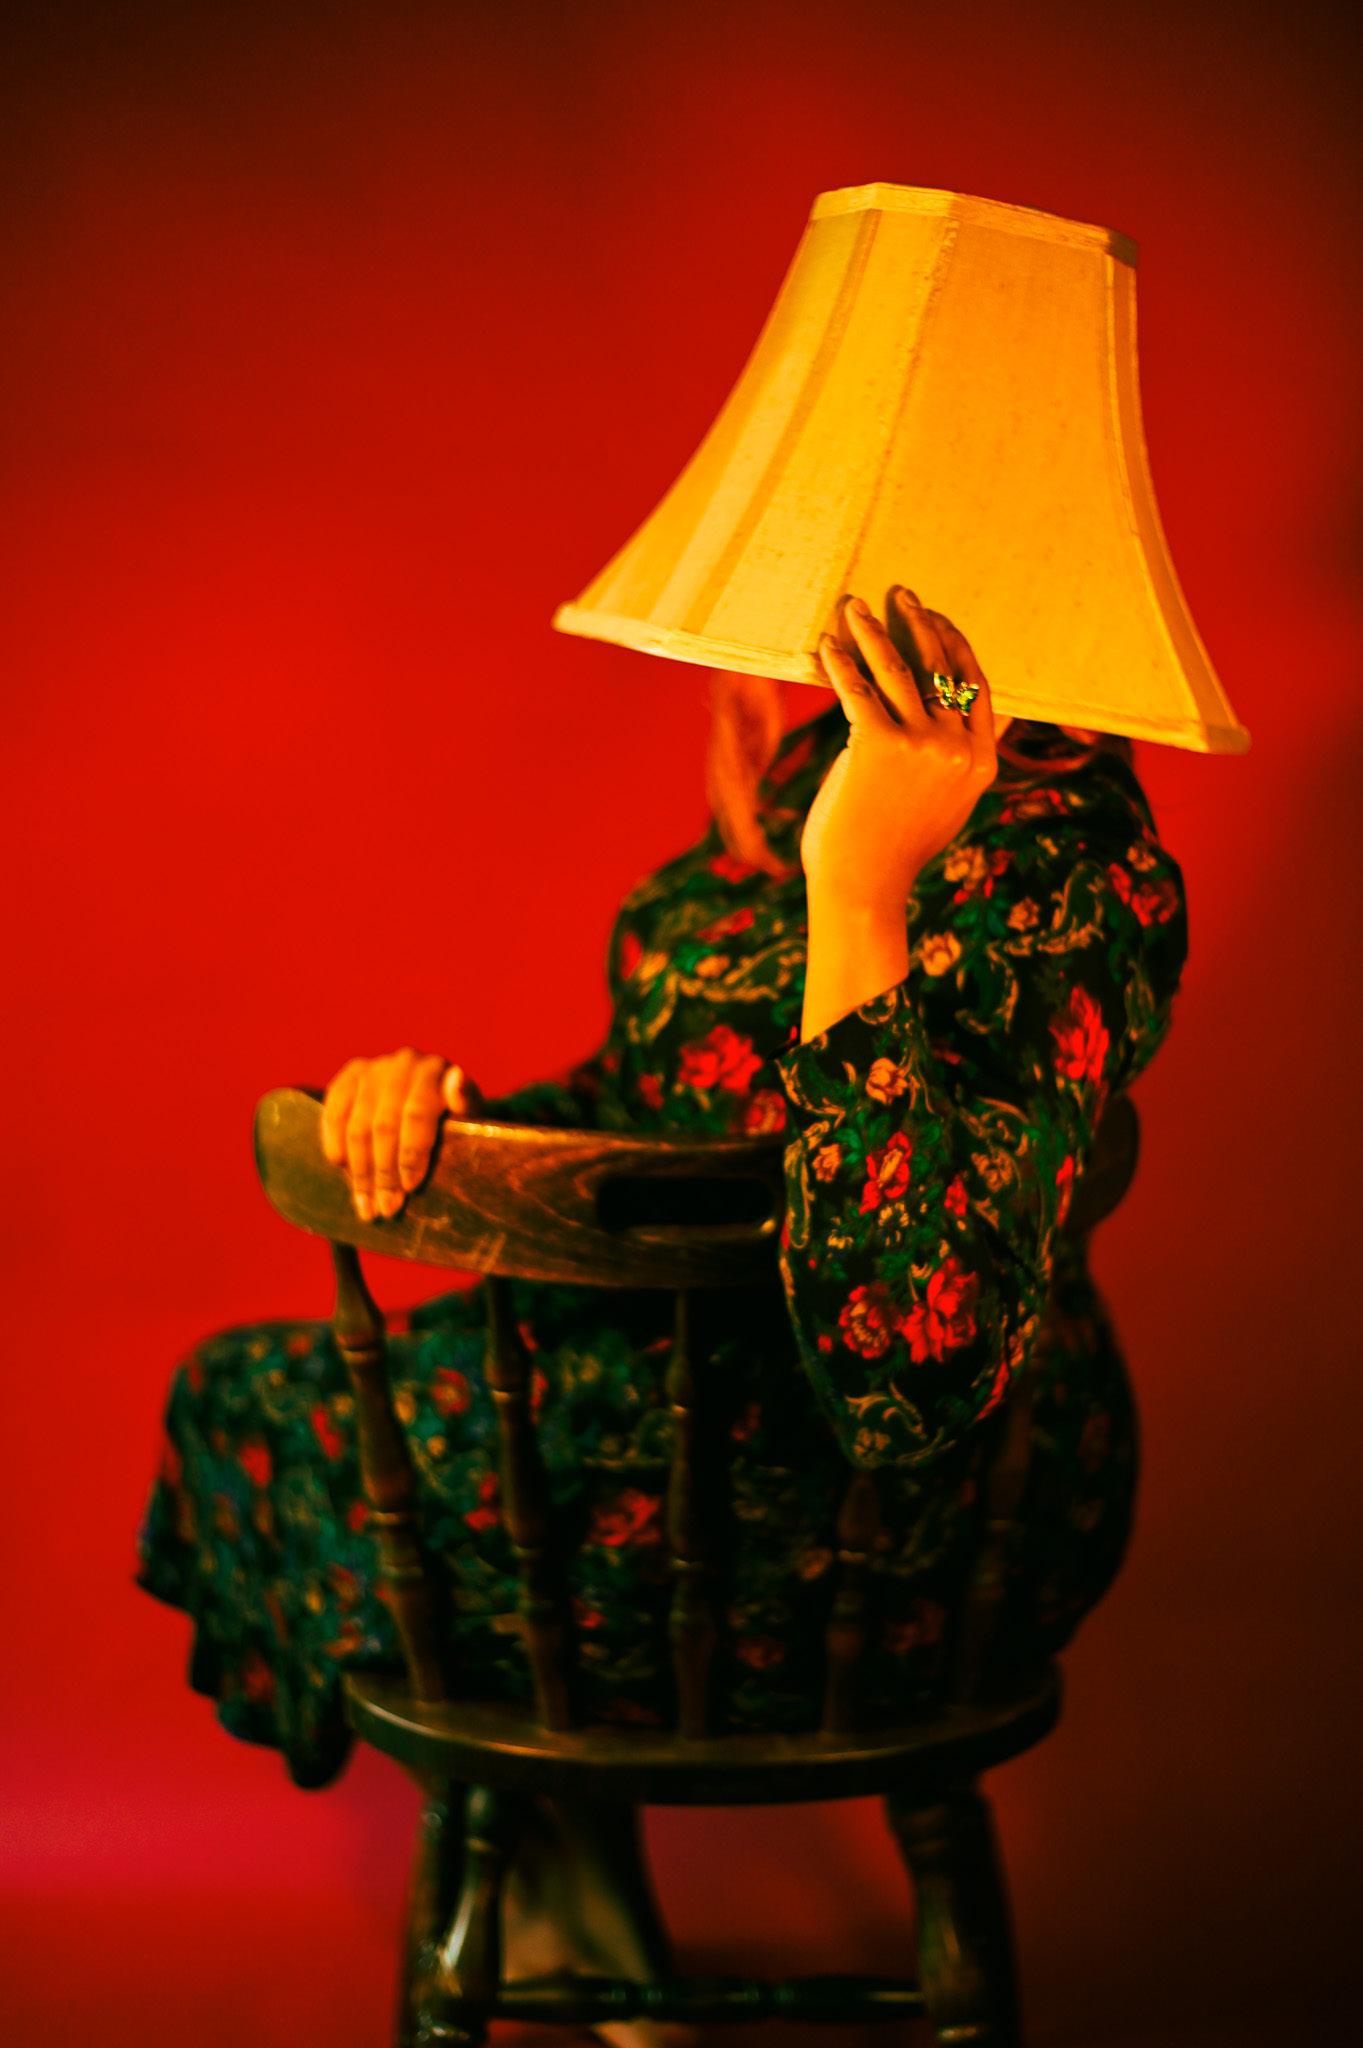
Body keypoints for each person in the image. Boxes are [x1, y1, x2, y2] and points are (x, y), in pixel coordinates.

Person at [136, 586, 1186, 2027]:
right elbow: (674, 1106)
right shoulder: (810, 766)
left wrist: (860, 890)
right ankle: (572, 1887)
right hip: (691, 1402)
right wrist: (447, 1127)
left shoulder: (1067, 856)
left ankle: (563, 1900)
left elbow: (911, 1367)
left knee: (277, 1415)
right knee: (251, 1392)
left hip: (879, 1516)